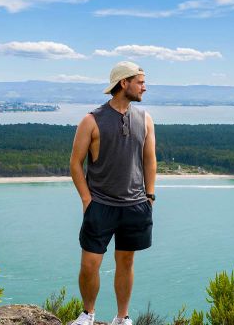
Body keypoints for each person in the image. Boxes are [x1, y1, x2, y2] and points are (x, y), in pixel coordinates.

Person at [69, 61, 157, 325]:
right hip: (101, 205)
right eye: (140, 82)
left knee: (126, 263)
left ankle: (122, 318)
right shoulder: (91, 120)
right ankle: (88, 314)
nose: (145, 87)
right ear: (124, 83)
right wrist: (87, 199)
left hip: (135, 205)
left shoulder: (145, 119)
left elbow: (150, 160)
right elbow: (75, 163)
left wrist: (150, 196)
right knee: (89, 265)